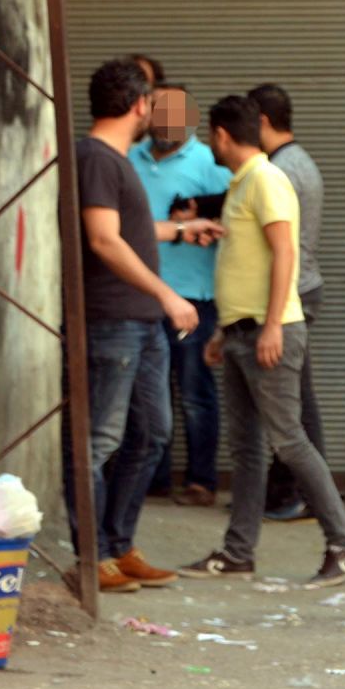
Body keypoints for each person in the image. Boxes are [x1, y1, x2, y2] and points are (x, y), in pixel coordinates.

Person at [181, 96, 345, 589]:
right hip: (242, 331)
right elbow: (249, 265)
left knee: (290, 440)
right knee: (245, 449)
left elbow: (285, 252)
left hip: (270, 332)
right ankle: (239, 552)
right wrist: (224, 330)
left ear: (221, 135)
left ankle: (343, 544)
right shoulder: (243, 183)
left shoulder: (265, 179)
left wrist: (273, 327)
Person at [63, 58, 221, 593]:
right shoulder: (96, 159)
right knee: (98, 441)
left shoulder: (116, 159)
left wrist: (180, 230)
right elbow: (104, 239)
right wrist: (167, 293)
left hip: (140, 322)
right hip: (113, 321)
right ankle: (92, 558)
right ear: (138, 105)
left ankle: (118, 546)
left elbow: (127, 227)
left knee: (152, 434)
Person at [129, 84, 231, 508]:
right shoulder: (128, 158)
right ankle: (151, 480)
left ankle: (200, 481)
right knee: (145, 393)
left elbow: (234, 216)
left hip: (194, 297)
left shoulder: (210, 163)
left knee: (194, 393)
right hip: (139, 293)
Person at [248, 84, 331, 524]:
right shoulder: (298, 162)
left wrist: (274, 315)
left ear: (262, 121)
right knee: (297, 398)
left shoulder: (279, 170)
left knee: (291, 402)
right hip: (301, 287)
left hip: (292, 292)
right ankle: (294, 492)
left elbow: (281, 246)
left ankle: (299, 493)